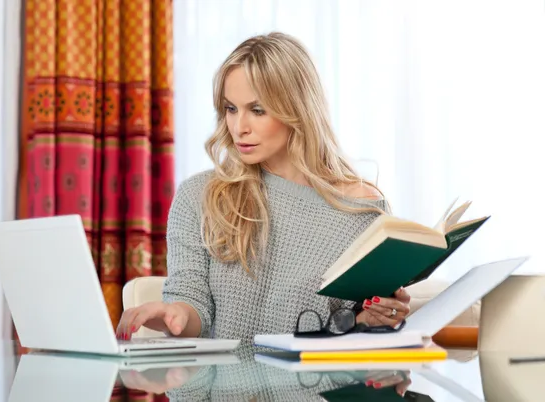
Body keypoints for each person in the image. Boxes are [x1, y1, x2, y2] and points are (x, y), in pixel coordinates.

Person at [116, 32, 411, 342]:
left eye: (257, 110)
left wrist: (369, 320)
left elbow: (349, 330)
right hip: (220, 388)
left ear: (298, 110)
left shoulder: (362, 211)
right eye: (231, 109)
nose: (239, 127)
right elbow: (193, 307)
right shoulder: (199, 197)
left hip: (314, 388)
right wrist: (173, 313)